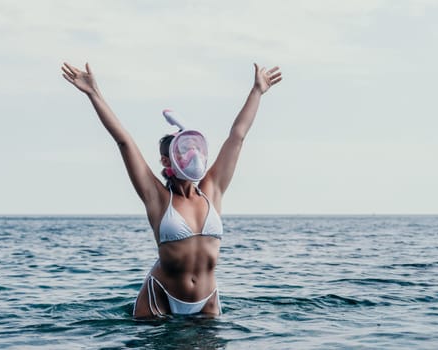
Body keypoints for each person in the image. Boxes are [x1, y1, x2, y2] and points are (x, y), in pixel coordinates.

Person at [61, 61, 282, 318]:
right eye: (183, 150)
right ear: (167, 161)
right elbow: (124, 141)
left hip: (208, 299)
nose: (192, 154)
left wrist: (257, 91)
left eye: (195, 148)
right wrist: (93, 93)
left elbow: (238, 136)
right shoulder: (157, 197)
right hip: (160, 296)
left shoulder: (212, 189)